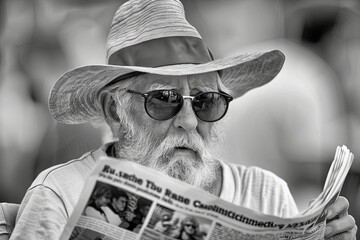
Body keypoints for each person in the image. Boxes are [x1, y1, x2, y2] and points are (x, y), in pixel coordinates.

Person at [9, 0, 357, 239]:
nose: (189, 122)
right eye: (164, 99)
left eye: (206, 101)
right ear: (116, 112)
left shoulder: (266, 192)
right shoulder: (62, 193)